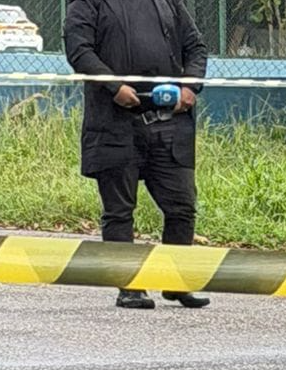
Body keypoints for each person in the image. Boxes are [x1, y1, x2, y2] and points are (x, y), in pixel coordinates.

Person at [64, 0, 210, 311]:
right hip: (115, 125)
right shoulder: (88, 3)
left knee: (182, 206)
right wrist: (115, 87)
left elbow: (196, 47)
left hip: (169, 125)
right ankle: (130, 287)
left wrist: (190, 86)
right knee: (119, 211)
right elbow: (79, 51)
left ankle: (176, 282)